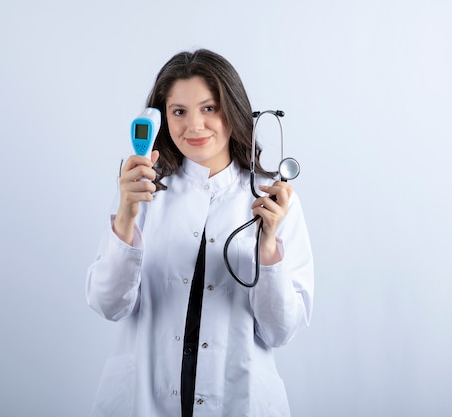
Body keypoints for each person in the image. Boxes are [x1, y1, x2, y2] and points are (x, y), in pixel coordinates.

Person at [86, 49, 314, 417]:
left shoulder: (274, 199)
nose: (194, 126)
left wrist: (268, 245)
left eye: (209, 108)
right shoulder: (143, 191)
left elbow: (280, 331)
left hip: (239, 398)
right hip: (144, 398)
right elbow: (107, 305)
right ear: (160, 119)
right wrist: (126, 216)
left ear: (234, 110)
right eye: (179, 111)